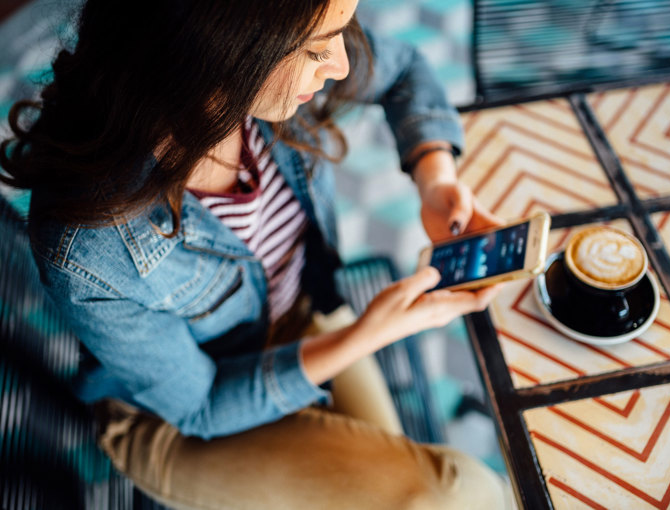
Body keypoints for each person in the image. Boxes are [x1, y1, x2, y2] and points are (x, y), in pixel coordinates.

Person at [1, 0, 515, 508]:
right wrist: (367, 333)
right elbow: (201, 406)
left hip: (295, 322)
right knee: (454, 492)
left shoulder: (270, 77)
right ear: (222, 51)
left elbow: (403, 69)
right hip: (179, 422)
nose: (339, 64)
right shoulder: (90, 245)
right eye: (316, 50)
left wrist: (435, 179)